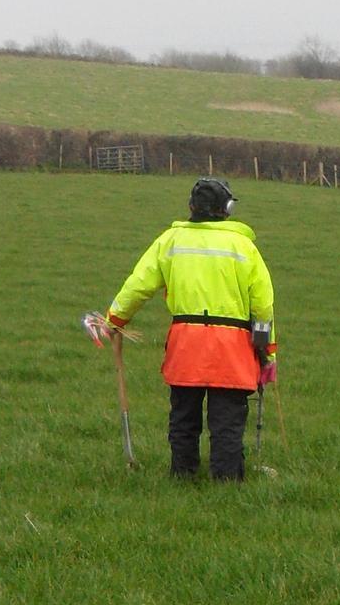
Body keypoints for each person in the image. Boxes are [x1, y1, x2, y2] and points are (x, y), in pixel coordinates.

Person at [106, 177, 275, 481]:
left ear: (191, 207)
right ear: (226, 209)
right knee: (227, 421)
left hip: (186, 344)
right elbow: (262, 306)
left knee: (184, 417)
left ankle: (182, 476)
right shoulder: (244, 247)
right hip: (233, 348)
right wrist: (267, 353)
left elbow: (138, 285)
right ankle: (226, 481)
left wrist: (114, 320)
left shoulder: (170, 241)